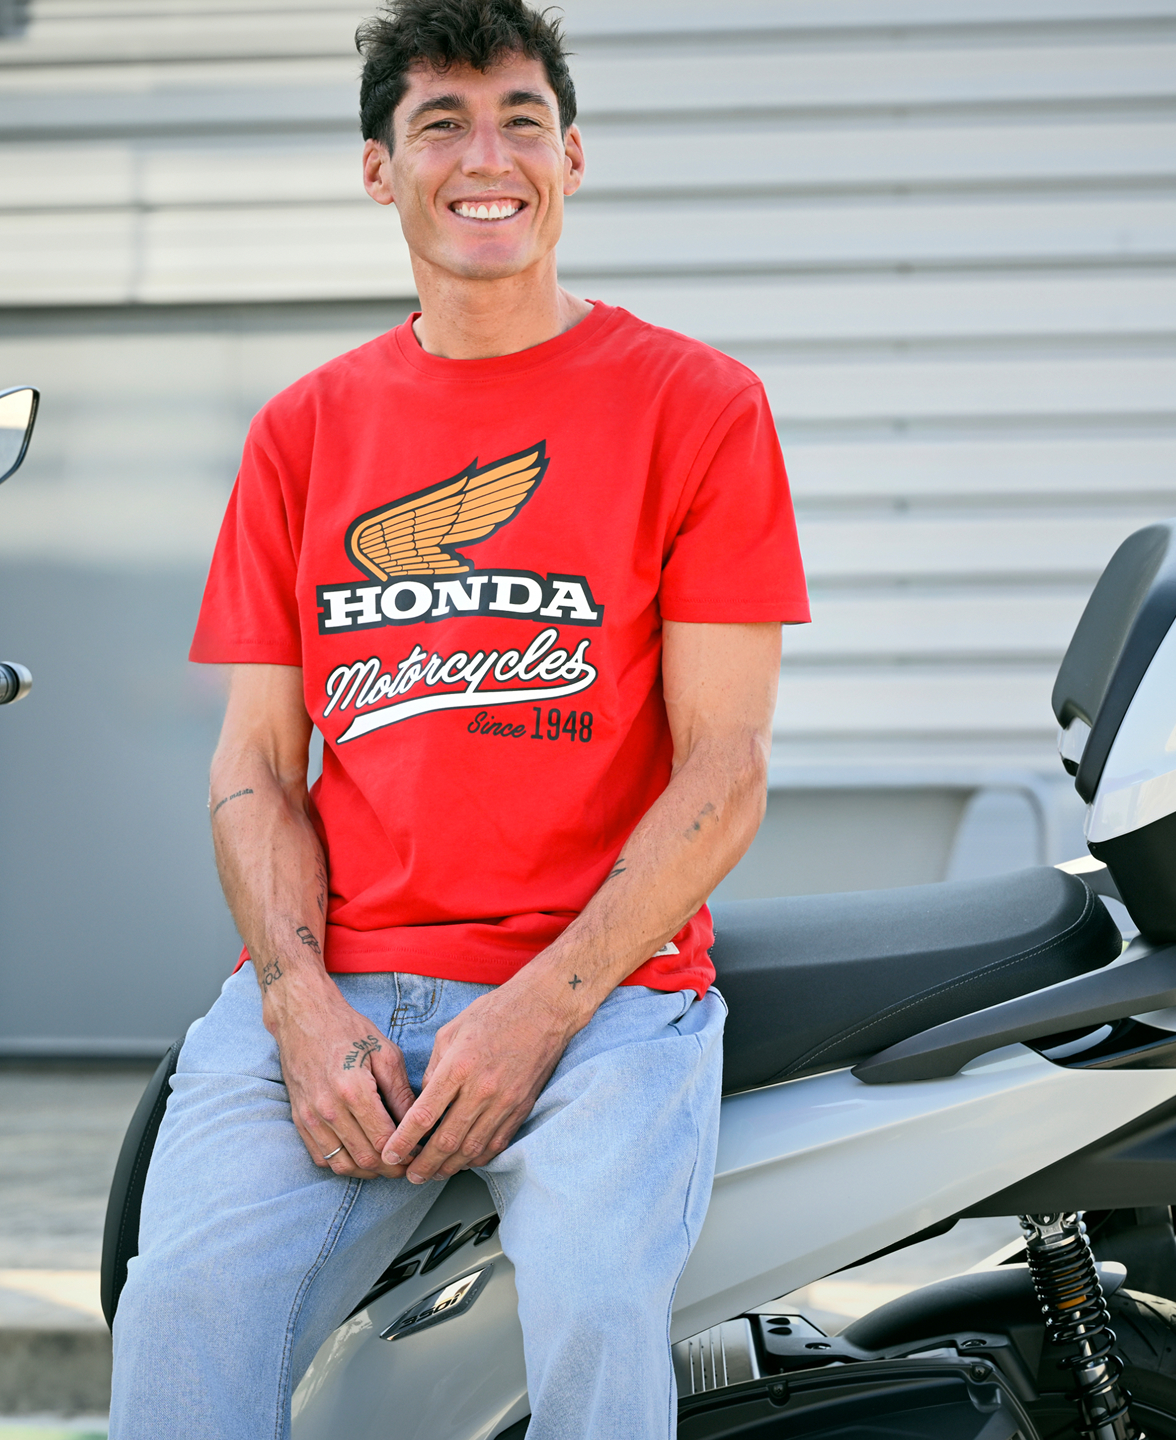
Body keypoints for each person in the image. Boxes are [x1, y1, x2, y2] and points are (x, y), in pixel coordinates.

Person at [108, 1, 809, 1434]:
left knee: (595, 1314)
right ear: (380, 169)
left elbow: (726, 768)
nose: (487, 158)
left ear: (573, 157)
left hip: (606, 997)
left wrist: (541, 1009)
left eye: (520, 121)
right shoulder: (303, 433)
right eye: (441, 123)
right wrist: (297, 1001)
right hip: (339, 982)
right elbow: (255, 766)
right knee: (177, 1306)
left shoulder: (698, 406)